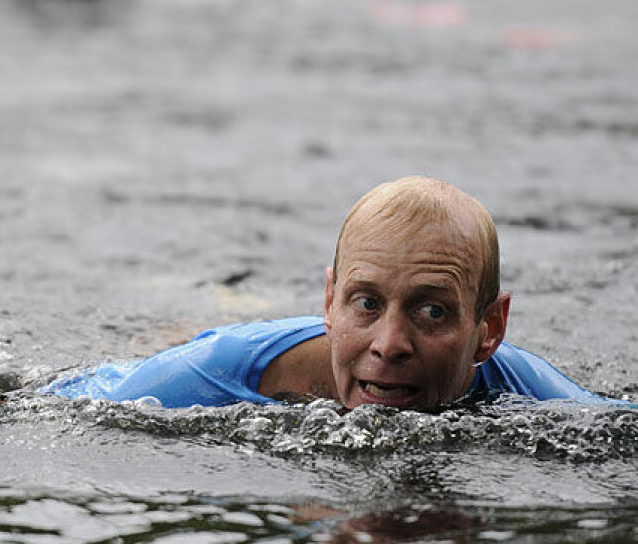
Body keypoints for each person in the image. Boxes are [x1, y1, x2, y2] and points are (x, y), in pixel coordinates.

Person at [45, 176, 633, 410]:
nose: (390, 344)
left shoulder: (534, 393)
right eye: (367, 303)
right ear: (330, 303)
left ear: (489, 331)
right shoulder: (217, 370)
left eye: (432, 311)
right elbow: (42, 406)